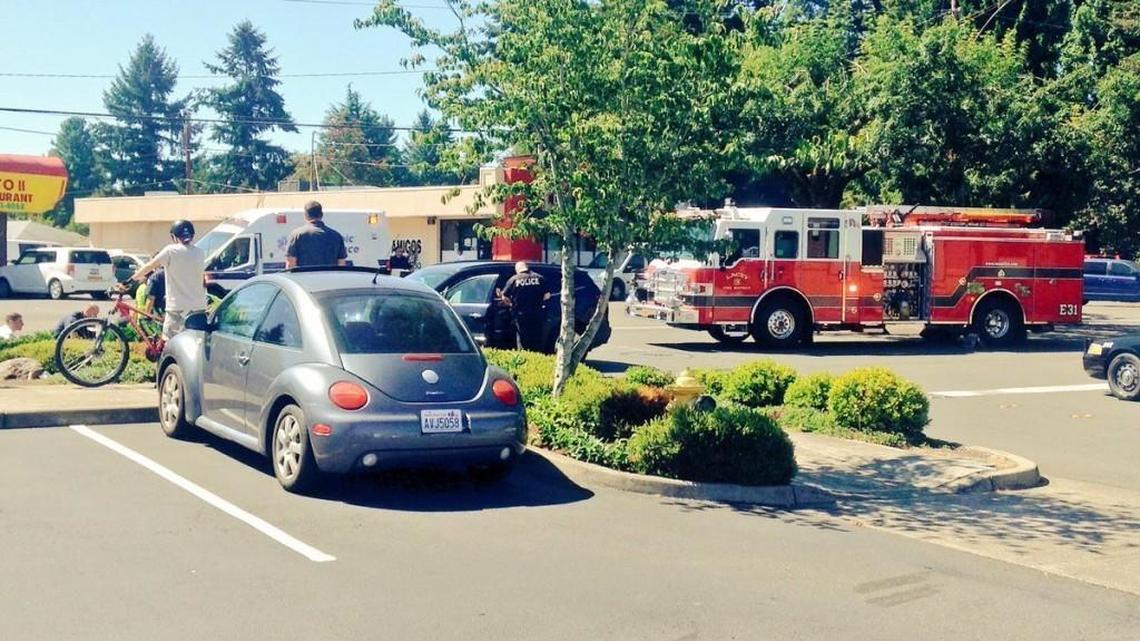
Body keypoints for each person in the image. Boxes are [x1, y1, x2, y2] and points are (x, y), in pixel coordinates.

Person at [129, 220, 206, 341]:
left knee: (169, 343)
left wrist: (131, 279)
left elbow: (150, 266)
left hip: (177, 308)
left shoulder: (171, 251)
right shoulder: (200, 253)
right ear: (192, 235)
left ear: (173, 236)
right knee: (196, 342)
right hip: (199, 307)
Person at [498, 261, 551, 351]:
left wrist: (511, 304)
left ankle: (525, 356)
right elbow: (547, 295)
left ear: (518, 270)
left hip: (520, 314)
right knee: (536, 338)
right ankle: (537, 356)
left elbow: (505, 297)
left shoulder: (514, 279)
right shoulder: (539, 277)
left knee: (522, 339)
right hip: (537, 313)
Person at [285, 201, 348, 269]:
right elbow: (341, 264)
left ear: (306, 215)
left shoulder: (296, 235)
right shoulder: (336, 236)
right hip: (329, 278)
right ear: (321, 215)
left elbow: (290, 265)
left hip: (304, 278)